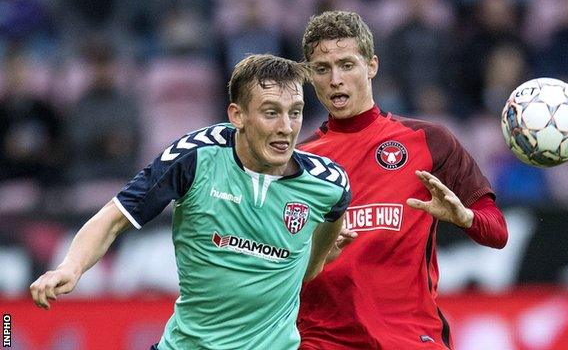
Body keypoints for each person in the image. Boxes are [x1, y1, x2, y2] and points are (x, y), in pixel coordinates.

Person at [30, 54, 352, 350]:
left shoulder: (328, 185)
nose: (286, 128)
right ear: (237, 115)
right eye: (271, 113)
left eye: (294, 113)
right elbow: (114, 217)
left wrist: (316, 256)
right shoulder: (195, 157)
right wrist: (71, 268)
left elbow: (311, 266)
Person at [296, 11, 509, 350]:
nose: (335, 79)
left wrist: (465, 217)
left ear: (372, 66)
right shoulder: (297, 164)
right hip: (324, 341)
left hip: (411, 339)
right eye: (322, 68)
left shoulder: (430, 141)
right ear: (309, 75)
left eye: (347, 65)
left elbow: (497, 231)